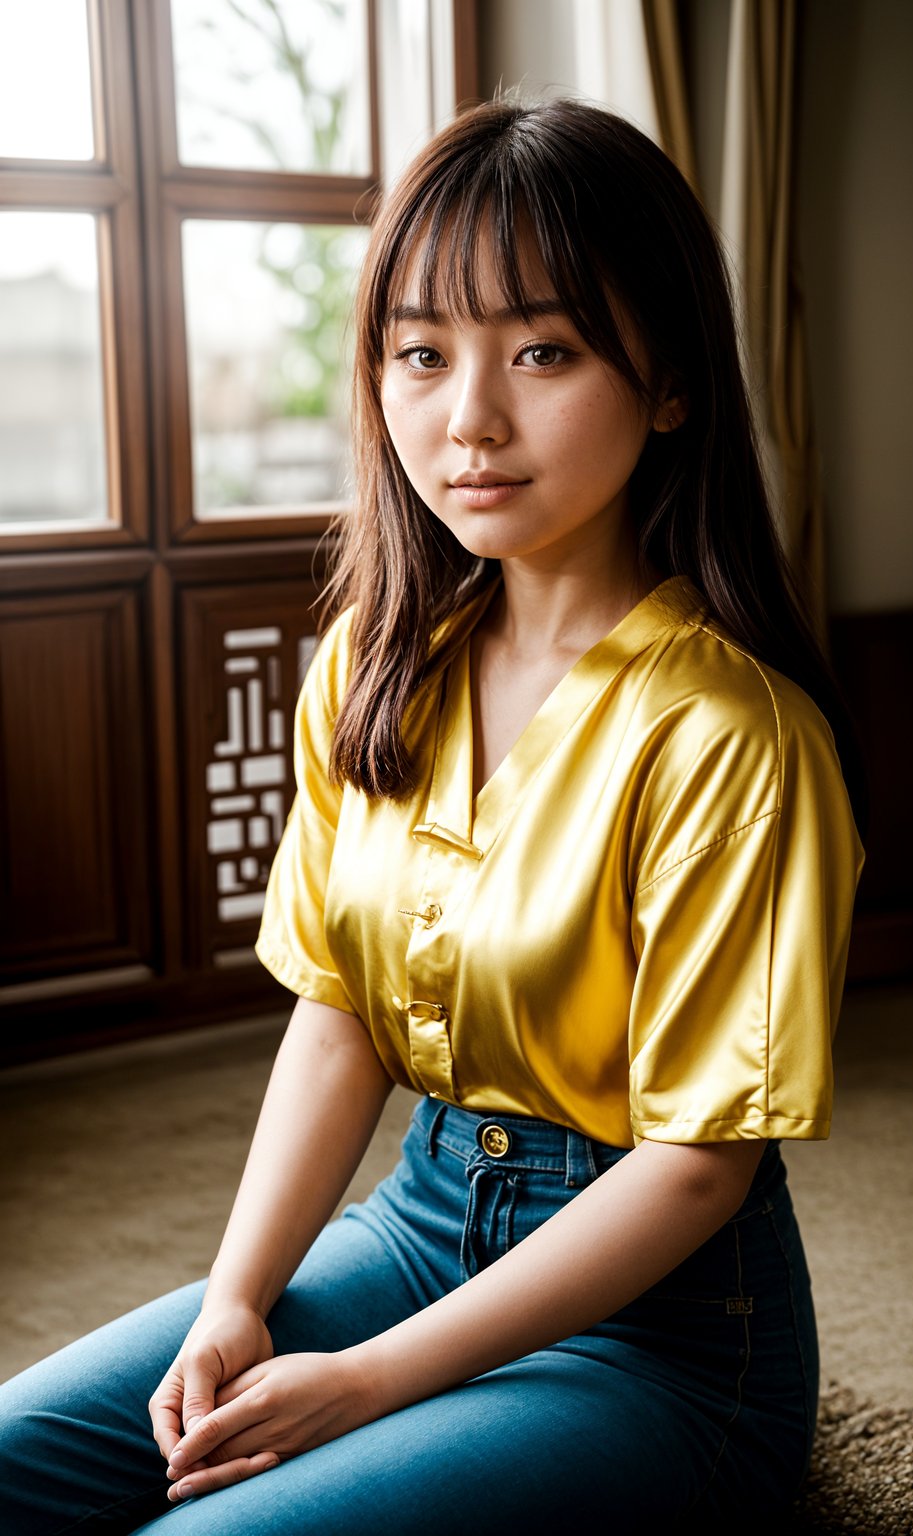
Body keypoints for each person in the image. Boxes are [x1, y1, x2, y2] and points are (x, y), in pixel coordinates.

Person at [0, 97, 864, 1533]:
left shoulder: (731, 733)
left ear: (668, 384)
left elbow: (700, 1170)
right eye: (420, 351)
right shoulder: (375, 663)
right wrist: (236, 1297)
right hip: (415, 1228)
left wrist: (366, 1383)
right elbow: (338, 1016)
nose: (468, 418)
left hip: (661, 1340)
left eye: (542, 351)